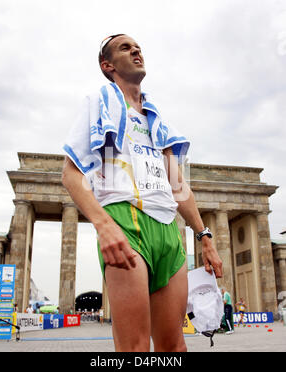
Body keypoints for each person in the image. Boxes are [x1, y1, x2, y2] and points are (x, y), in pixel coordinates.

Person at [62, 34, 223, 352]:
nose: (135, 50)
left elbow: (178, 186)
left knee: (174, 347)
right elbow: (71, 175)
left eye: (138, 47)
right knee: (135, 348)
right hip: (126, 221)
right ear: (107, 65)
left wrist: (205, 236)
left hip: (168, 230)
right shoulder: (100, 102)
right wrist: (103, 225)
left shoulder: (156, 119)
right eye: (125, 47)